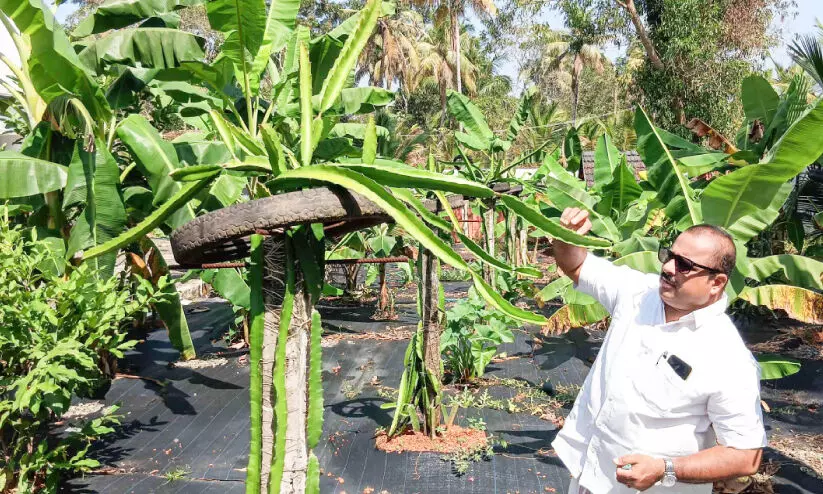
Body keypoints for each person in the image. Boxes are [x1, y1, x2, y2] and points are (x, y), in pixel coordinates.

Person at [550, 207, 766, 494]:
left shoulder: (728, 357)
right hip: (588, 474)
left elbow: (746, 455)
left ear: (716, 283)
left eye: (685, 265)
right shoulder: (638, 294)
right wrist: (566, 237)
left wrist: (665, 469)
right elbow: (577, 265)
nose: (668, 268)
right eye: (670, 255)